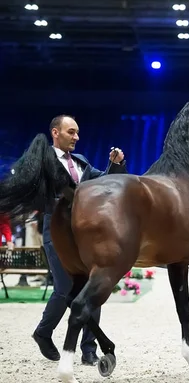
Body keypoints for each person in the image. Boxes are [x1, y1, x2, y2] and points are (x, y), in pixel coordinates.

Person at [32, 114, 128, 366]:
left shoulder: (81, 161)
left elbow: (103, 181)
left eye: (77, 133)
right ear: (55, 132)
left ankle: (88, 349)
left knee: (93, 288)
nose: (76, 137)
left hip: (83, 237)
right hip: (56, 233)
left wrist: (116, 164)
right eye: (71, 132)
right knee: (65, 289)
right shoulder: (43, 162)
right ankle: (43, 332)